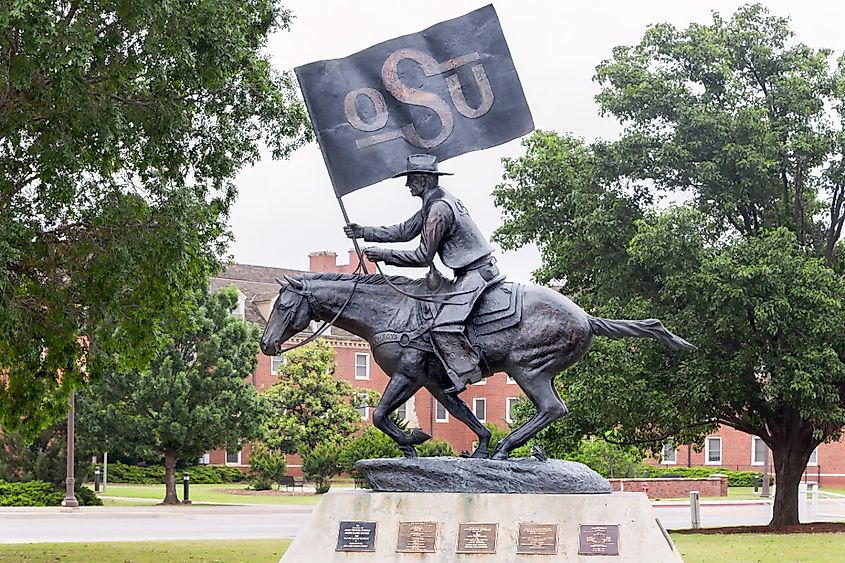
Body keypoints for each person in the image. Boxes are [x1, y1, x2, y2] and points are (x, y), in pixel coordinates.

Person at [343, 154, 501, 394]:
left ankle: (464, 372)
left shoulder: (439, 208)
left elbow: (423, 257)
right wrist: (364, 231)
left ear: (425, 180)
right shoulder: (435, 201)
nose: (408, 185)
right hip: (467, 272)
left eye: (412, 179)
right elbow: (405, 231)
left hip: (477, 274)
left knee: (443, 323)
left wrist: (384, 255)